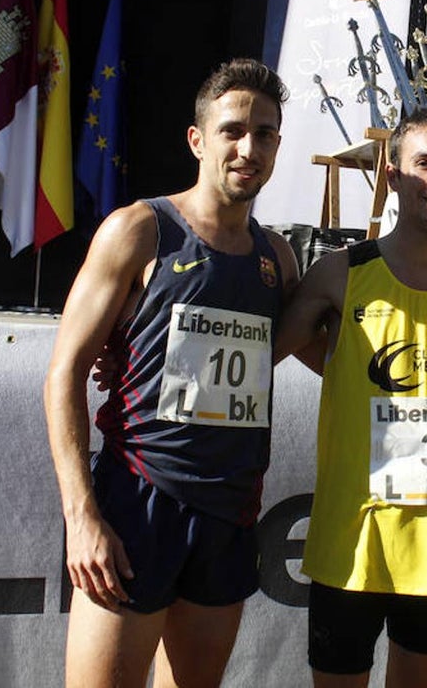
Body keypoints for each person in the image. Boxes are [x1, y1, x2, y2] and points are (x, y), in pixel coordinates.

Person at [44, 59, 300, 687]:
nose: (248, 149)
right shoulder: (139, 230)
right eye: (232, 131)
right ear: (197, 140)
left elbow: (288, 349)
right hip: (138, 500)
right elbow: (64, 375)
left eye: (264, 134)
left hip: (229, 513)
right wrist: (82, 518)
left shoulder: (278, 258)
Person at [272, 109, 427, 688]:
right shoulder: (340, 273)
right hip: (352, 543)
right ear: (392, 173)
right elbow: (265, 349)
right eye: (424, 163)